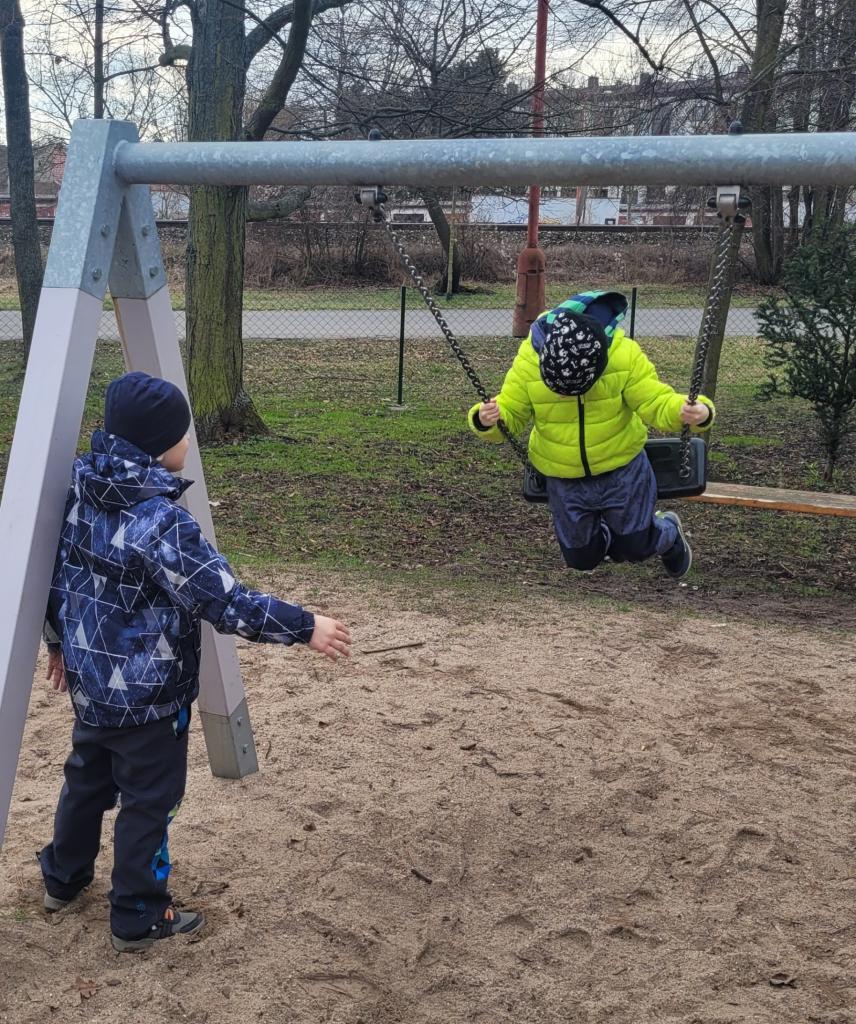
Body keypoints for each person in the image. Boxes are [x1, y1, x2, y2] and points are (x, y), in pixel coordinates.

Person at [39, 371, 351, 953]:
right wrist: (306, 626)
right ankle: (137, 914)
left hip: (91, 682)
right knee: (149, 801)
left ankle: (62, 877)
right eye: (181, 434)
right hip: (150, 697)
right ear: (159, 447)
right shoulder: (161, 522)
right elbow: (225, 601)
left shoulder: (79, 488)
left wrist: (57, 643)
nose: (189, 442)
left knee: (86, 780)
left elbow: (56, 578)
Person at [468, 291, 714, 577]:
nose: (565, 396)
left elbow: (655, 400)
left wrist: (694, 412)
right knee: (581, 557)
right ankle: (610, 537)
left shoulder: (622, 354)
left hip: (620, 466)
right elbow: (512, 410)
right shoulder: (529, 360)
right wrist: (487, 420)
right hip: (562, 473)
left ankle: (669, 533)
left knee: (635, 545)